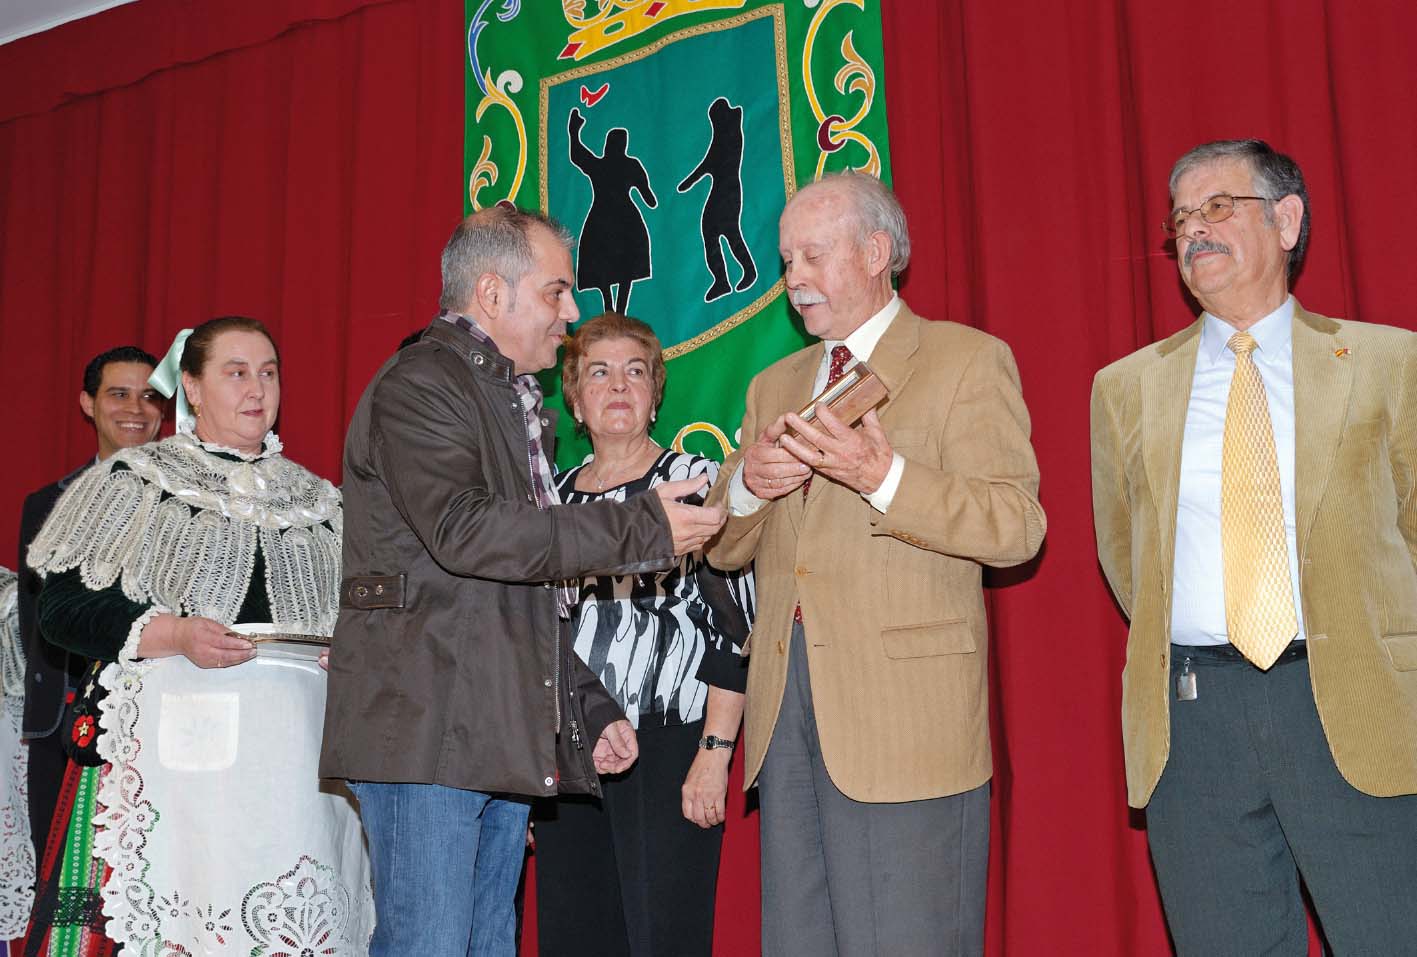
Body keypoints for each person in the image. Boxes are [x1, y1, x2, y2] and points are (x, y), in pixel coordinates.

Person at [320, 207, 726, 957]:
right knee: (431, 947)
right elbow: (466, 533)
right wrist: (639, 526)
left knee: (481, 945)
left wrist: (589, 704)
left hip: (486, 730)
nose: (569, 314)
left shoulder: (504, 401)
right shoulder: (422, 384)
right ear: (491, 294)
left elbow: (513, 590)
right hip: (426, 730)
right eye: (555, 292)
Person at [1090, 139, 1417, 955]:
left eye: (1216, 208)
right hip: (1194, 722)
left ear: (1286, 220)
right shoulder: (1124, 387)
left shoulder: (1388, 360)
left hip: (1352, 703)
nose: (1193, 230)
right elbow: (1128, 559)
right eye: (1180, 219)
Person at [706, 172, 1046, 956]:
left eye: (812, 254)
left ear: (875, 251)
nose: (793, 277)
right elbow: (724, 546)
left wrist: (881, 476)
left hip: (906, 723)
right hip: (787, 713)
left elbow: (1016, 525)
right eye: (786, 258)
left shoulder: (964, 359)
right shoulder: (773, 386)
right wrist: (749, 489)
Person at [23, 317, 372, 956]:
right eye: (236, 373)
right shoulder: (135, 479)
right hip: (180, 766)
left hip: (301, 771)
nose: (257, 389)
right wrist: (175, 633)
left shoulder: (321, 502)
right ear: (191, 386)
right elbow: (62, 611)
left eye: (268, 373)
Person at [533, 313, 751, 957]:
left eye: (635, 371)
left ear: (657, 393)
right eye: (598, 372)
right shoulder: (551, 504)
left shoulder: (695, 483)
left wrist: (714, 754)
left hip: (670, 746)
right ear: (573, 397)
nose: (618, 385)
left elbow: (735, 629)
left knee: (664, 940)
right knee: (577, 938)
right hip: (570, 752)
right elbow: (532, 637)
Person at [17, 346, 163, 869]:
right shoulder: (44, 505)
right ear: (88, 403)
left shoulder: (191, 505)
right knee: (59, 888)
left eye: (150, 396)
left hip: (159, 722)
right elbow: (39, 625)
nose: (136, 409)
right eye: (118, 394)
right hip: (62, 724)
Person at [568, 107, 657, 314]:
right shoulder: (629, 165)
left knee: (610, 265)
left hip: (603, 218)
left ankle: (613, 309)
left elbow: (578, 154)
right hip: (623, 219)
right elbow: (648, 196)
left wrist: (574, 132)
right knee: (622, 266)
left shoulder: (601, 165)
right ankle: (615, 310)